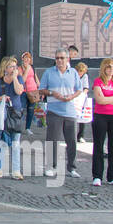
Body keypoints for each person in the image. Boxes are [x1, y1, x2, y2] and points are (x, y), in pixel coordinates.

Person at [39, 49, 82, 180]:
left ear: (67, 59)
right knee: (52, 140)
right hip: (54, 110)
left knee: (72, 141)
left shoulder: (73, 72)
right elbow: (41, 89)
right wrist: (53, 93)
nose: (59, 60)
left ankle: (72, 167)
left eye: (62, 58)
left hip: (70, 111)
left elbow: (79, 89)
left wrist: (72, 96)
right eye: (57, 58)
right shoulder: (49, 72)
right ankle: (51, 166)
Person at [89, 58, 113, 187]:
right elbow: (100, 100)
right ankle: (97, 175)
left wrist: (109, 99)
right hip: (100, 116)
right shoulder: (98, 81)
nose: (111, 69)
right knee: (98, 146)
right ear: (104, 68)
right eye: (109, 66)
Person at [0, 56, 27, 180]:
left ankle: (16, 170)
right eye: (12, 66)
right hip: (2, 114)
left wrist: (15, 77)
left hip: (15, 113)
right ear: (5, 68)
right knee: (0, 141)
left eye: (15, 66)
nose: (14, 68)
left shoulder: (19, 79)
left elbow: (19, 91)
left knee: (16, 143)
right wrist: (2, 98)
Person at [20, 51, 41, 131]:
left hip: (33, 90)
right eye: (26, 57)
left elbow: (35, 77)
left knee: (31, 109)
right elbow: (22, 80)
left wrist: (39, 86)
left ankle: (28, 127)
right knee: (21, 109)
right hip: (24, 91)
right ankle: (18, 125)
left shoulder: (32, 67)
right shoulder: (20, 68)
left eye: (29, 58)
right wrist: (27, 69)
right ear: (22, 59)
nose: (27, 59)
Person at [74, 60, 92, 143]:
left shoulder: (85, 76)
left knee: (82, 116)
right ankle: (72, 135)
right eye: (79, 71)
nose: (80, 73)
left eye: (82, 72)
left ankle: (80, 135)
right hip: (74, 96)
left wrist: (82, 94)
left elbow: (86, 88)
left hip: (82, 97)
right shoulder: (73, 75)